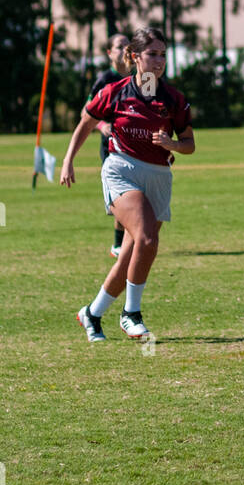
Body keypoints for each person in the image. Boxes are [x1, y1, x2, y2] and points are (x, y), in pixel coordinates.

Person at [61, 27, 195, 342]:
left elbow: (189, 143)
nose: (159, 60)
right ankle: (130, 313)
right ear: (134, 57)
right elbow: (86, 123)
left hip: (159, 176)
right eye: (152, 54)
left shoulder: (173, 98)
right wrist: (68, 160)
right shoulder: (115, 91)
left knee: (132, 254)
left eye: (163, 54)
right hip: (121, 170)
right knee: (146, 239)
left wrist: (171, 144)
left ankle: (92, 314)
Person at [89, 33, 131, 256]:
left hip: (134, 145)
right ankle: (118, 245)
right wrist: (101, 125)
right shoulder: (104, 79)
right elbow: (86, 111)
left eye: (127, 45)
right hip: (111, 148)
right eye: (118, 46)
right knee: (121, 197)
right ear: (109, 53)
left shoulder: (138, 76)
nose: (124, 49)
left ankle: (126, 243)